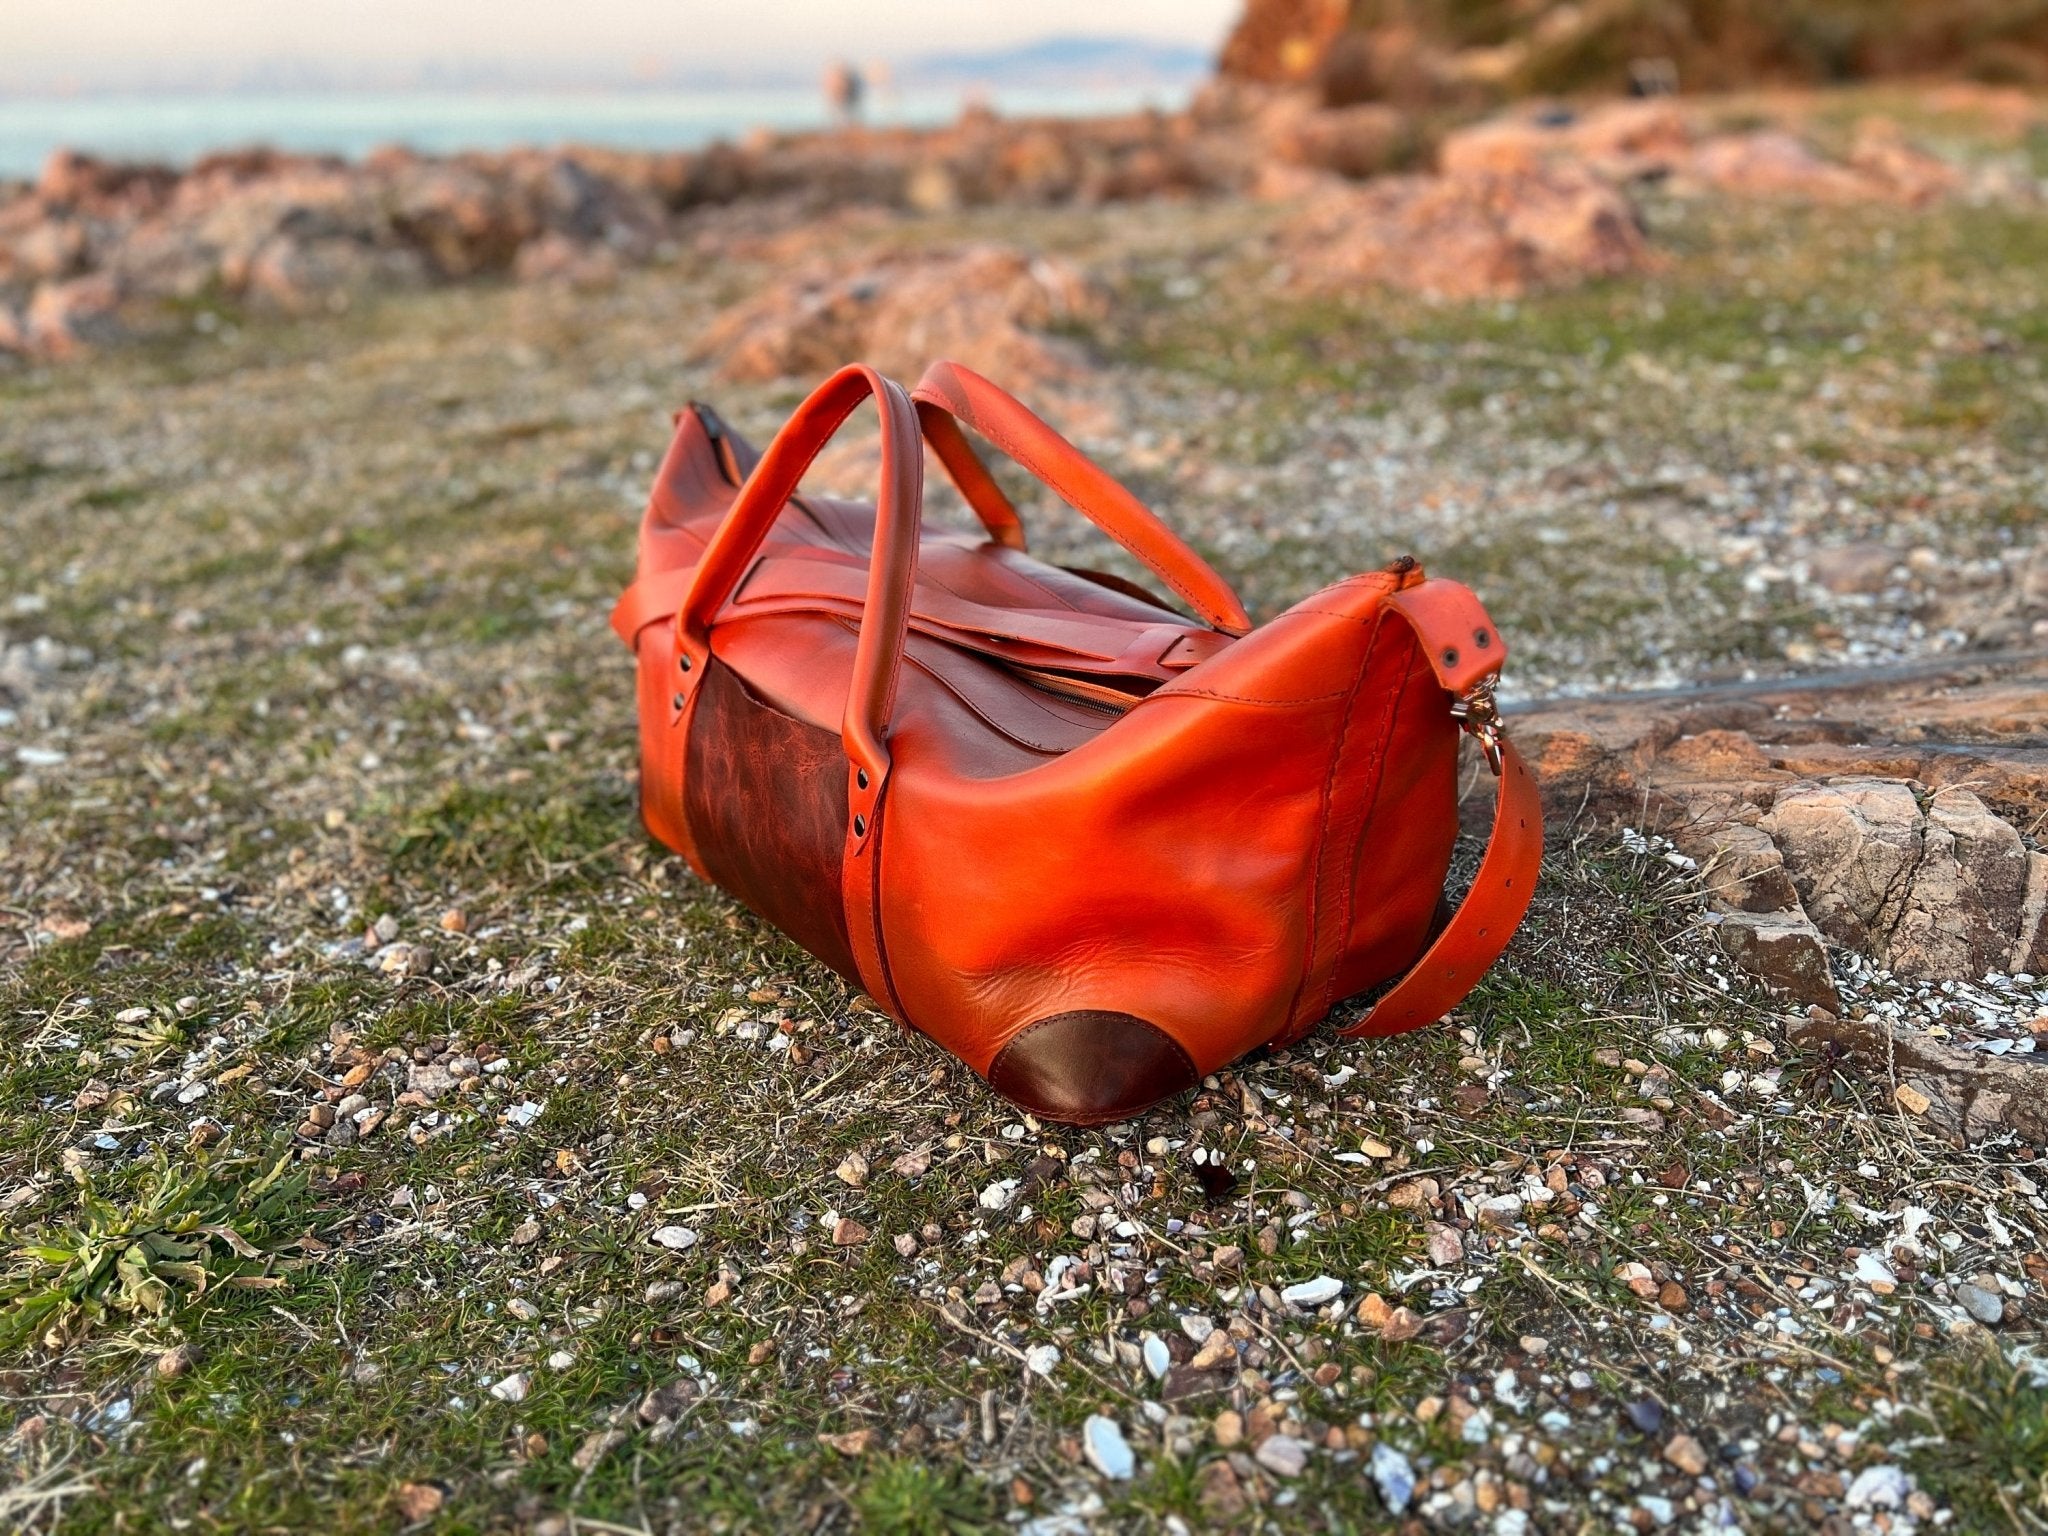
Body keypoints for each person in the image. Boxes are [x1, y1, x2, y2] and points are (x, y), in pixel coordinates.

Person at [824, 60, 866, 127]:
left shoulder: (851, 81)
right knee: (842, 114)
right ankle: (843, 127)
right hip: (845, 99)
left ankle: (849, 127)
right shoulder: (838, 80)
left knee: (849, 114)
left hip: (849, 99)